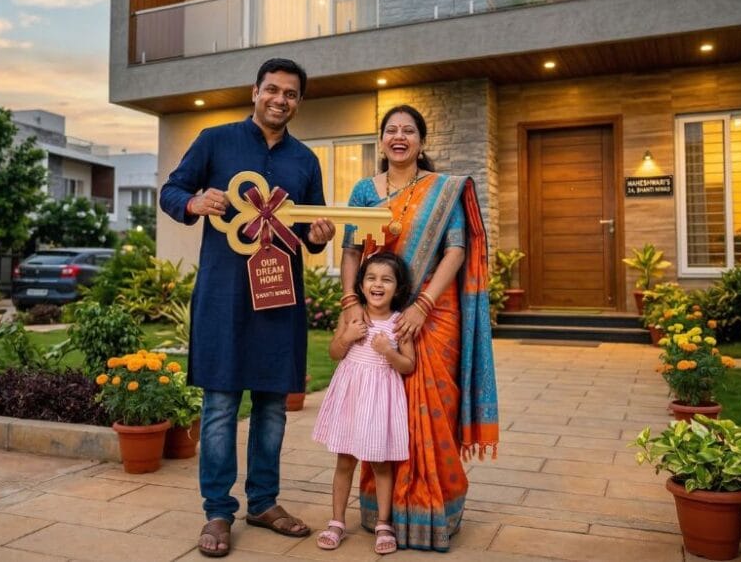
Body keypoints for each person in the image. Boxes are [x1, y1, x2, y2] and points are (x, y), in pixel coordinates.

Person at [159, 57, 335, 558]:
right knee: (219, 405)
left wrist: (320, 236)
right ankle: (218, 510)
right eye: (272, 90)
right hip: (224, 295)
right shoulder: (215, 141)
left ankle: (263, 502)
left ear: (299, 102)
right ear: (254, 91)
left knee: (273, 407)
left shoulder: (305, 160)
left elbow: (311, 229)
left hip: (279, 297)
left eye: (291, 94)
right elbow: (171, 191)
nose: (281, 99)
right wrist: (193, 203)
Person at [338, 103, 500, 551]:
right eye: (391, 130)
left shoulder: (443, 190)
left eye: (408, 130)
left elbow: (455, 249)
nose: (399, 137)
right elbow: (352, 250)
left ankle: (434, 509)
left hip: (433, 313)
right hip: (379, 310)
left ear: (422, 141)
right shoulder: (364, 191)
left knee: (433, 410)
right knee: (380, 411)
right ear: (381, 141)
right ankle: (383, 515)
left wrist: (423, 305)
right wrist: (351, 301)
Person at [312, 251, 417, 555]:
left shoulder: (399, 323)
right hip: (352, 399)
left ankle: (384, 524)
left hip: (380, 401)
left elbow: (408, 365)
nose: (378, 284)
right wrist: (347, 337)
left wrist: (388, 351)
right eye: (371, 278)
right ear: (361, 285)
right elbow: (334, 353)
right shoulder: (352, 317)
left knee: (381, 464)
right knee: (344, 462)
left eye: (386, 279)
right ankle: (337, 522)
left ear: (398, 288)